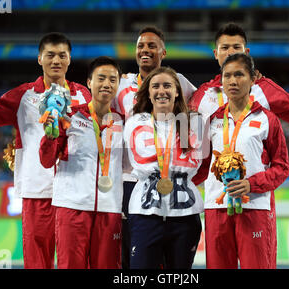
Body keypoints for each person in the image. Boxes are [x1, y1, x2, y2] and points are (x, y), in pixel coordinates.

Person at [0, 32, 91, 269]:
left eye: (62, 55)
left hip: (77, 192)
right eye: (50, 55)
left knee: (77, 263)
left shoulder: (84, 94)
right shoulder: (24, 96)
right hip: (38, 191)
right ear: (40, 58)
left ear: (70, 59)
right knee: (38, 262)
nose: (56, 60)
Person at [113, 26, 197, 269]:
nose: (145, 50)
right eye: (141, 46)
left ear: (164, 52)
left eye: (152, 46)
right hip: (131, 183)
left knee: (170, 258)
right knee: (133, 258)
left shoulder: (179, 82)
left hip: (171, 181)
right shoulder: (121, 84)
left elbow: (199, 102)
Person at [195, 53, 289, 268]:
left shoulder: (267, 119)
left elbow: (282, 167)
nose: (232, 81)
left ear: (253, 79)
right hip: (216, 207)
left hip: (254, 207)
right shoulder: (212, 120)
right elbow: (201, 167)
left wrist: (251, 184)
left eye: (239, 74)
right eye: (227, 76)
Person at [39, 56, 123, 269]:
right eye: (101, 78)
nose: (107, 84)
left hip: (109, 209)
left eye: (113, 80)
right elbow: (46, 160)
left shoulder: (124, 122)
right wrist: (49, 137)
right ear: (89, 82)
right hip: (72, 208)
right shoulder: (69, 118)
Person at [188, 22, 289, 129]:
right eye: (224, 48)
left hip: (254, 178)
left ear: (246, 52)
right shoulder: (204, 93)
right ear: (216, 54)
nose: (230, 52)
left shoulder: (264, 89)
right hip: (212, 178)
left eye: (236, 47)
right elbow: (182, 129)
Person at [123, 66, 203, 269]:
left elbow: (205, 164)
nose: (162, 91)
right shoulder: (133, 123)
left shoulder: (193, 123)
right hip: (145, 213)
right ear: (148, 93)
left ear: (177, 91)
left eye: (167, 86)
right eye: (155, 86)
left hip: (185, 217)